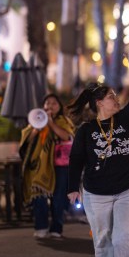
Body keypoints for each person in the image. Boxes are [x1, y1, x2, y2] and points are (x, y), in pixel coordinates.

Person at [67, 83, 129, 257]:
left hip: (128, 188)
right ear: (99, 103)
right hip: (96, 193)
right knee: (102, 238)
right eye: (111, 96)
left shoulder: (126, 119)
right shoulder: (86, 130)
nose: (116, 99)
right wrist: (72, 187)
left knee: (124, 236)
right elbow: (76, 160)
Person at [20, 93, 75, 239]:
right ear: (43, 106)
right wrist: (36, 128)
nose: (50, 106)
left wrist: (50, 123)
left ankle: (56, 228)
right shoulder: (36, 120)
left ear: (59, 106)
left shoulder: (63, 121)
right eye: (47, 103)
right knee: (39, 196)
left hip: (59, 165)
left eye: (54, 103)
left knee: (58, 197)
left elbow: (66, 136)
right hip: (39, 167)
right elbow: (26, 142)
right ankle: (41, 227)